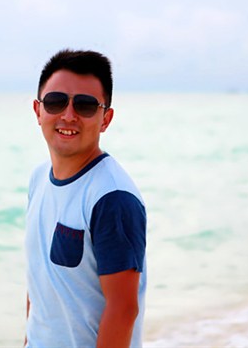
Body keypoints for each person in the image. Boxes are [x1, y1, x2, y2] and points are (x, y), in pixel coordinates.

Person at [24, 49, 147, 348]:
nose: (68, 115)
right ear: (38, 111)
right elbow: (40, 285)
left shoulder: (112, 197)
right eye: (55, 102)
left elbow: (122, 310)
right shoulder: (39, 179)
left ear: (106, 119)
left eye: (85, 105)